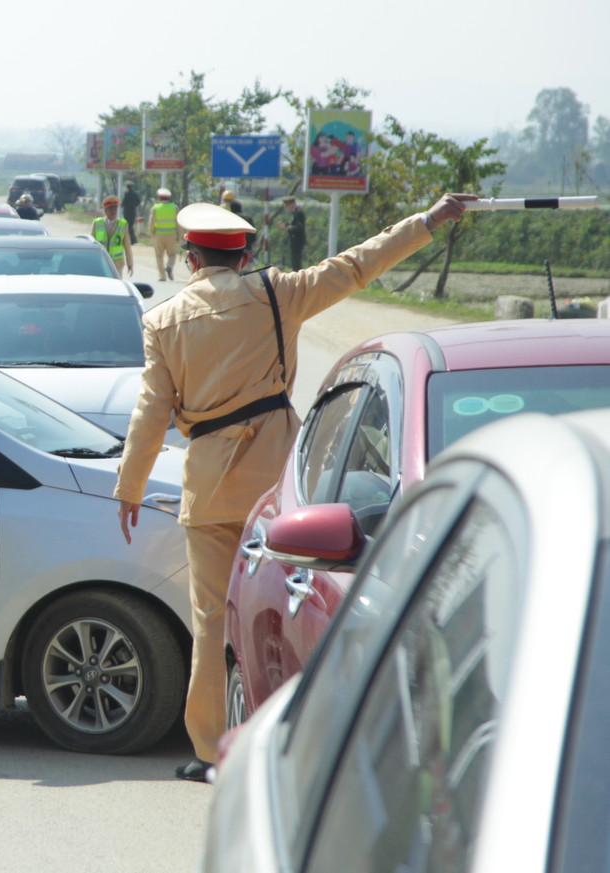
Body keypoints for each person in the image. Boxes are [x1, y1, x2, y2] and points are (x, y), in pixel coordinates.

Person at [113, 193, 474, 783]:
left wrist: (130, 488)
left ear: (191, 257)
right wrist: (427, 221)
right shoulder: (277, 292)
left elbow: (151, 412)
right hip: (276, 487)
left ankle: (210, 752)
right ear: (246, 252)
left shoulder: (163, 320)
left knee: (210, 620)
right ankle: (288, 743)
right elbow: (358, 264)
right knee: (284, 611)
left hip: (207, 488)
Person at [91, 195, 133, 278]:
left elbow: (127, 246)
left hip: (117, 263)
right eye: (110, 209)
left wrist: (130, 263)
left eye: (115, 208)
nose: (113, 211)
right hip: (101, 262)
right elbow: (92, 244)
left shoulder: (123, 224)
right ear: (105, 210)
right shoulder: (97, 223)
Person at [149, 188, 179, 281]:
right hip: (172, 235)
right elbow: (179, 223)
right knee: (172, 254)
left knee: (159, 255)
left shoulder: (155, 208)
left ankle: (162, 276)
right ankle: (169, 267)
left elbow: (151, 223)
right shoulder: (174, 208)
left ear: (159, 198)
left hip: (159, 235)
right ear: (169, 198)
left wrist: (152, 233)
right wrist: (181, 235)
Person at [278, 195, 307, 270]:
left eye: (287, 205)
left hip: (297, 240)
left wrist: (287, 228)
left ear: (292, 204)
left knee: (296, 261)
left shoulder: (298, 213)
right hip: (294, 240)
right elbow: (294, 224)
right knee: (294, 260)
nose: (287, 207)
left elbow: (299, 227)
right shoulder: (294, 213)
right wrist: (286, 224)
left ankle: (298, 276)